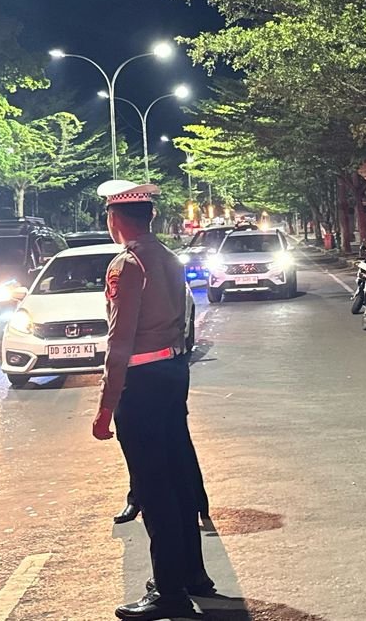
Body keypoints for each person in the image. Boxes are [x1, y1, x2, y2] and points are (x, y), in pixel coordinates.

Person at [90, 181, 213, 620]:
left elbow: (119, 342)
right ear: (151, 217)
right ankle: (192, 574)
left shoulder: (127, 264)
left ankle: (169, 592)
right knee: (178, 479)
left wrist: (106, 407)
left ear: (115, 219)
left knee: (153, 489)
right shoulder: (168, 257)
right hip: (173, 373)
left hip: (140, 384)